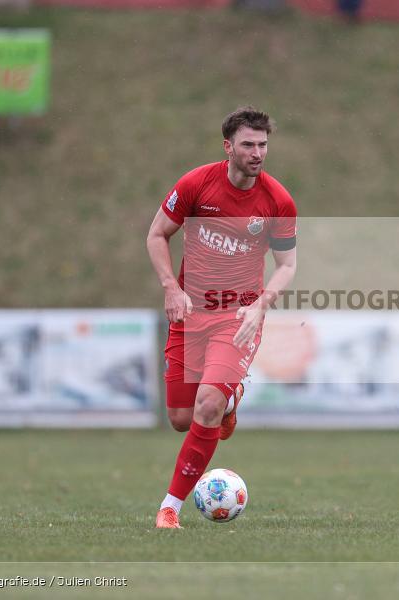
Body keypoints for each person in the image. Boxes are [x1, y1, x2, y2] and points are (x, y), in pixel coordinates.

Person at [146, 107, 298, 529]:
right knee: (181, 418)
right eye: (248, 144)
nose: (257, 152)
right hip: (190, 312)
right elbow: (157, 234)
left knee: (206, 404)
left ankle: (169, 508)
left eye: (263, 144)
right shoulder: (196, 184)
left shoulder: (277, 200)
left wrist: (261, 304)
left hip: (238, 317)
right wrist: (170, 287)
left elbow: (286, 265)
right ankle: (231, 400)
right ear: (228, 147)